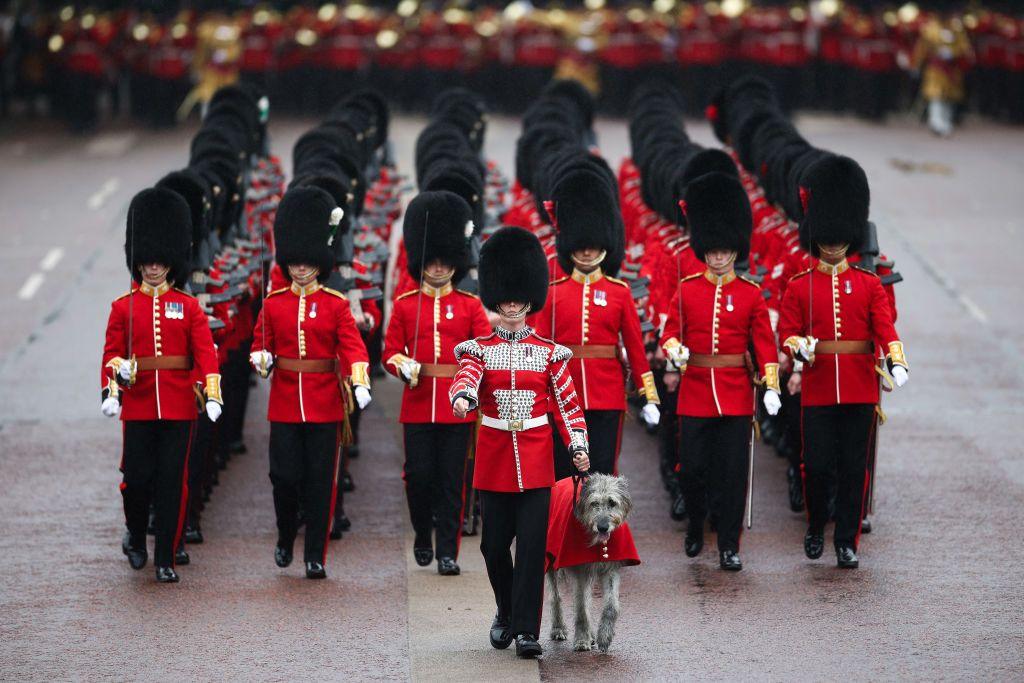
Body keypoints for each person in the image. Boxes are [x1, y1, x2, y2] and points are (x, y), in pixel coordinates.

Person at [449, 226, 590, 658]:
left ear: (529, 299)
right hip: (494, 458)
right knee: (493, 546)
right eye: (505, 299)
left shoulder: (549, 352)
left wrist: (578, 444)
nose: (511, 306)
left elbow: (567, 404)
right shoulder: (479, 348)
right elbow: (468, 376)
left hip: (534, 458)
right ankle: (505, 611)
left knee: (531, 548)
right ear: (496, 298)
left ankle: (527, 630)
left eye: (517, 299)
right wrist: (463, 395)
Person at [779, 155, 908, 569]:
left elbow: (884, 327)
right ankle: (817, 525)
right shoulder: (801, 286)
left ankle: (847, 541)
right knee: (816, 466)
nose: (833, 243)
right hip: (818, 387)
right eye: (826, 236)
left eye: (839, 237)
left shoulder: (868, 284)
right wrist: (799, 348)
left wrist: (896, 359)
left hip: (859, 386)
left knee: (855, 468)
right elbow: (788, 332)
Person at [659, 173, 781, 572]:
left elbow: (764, 344)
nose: (717, 257)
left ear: (734, 250)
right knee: (692, 470)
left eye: (723, 251)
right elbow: (670, 334)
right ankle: (696, 523)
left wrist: (770, 385)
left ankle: (730, 545)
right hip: (695, 392)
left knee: (732, 476)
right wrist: (673, 348)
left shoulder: (750, 293)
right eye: (711, 251)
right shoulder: (688, 289)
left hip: (734, 395)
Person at [101, 188, 222, 583]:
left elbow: (205, 353)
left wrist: (211, 391)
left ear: (172, 263)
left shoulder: (188, 307)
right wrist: (114, 385)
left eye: (160, 263)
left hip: (178, 405)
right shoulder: (124, 307)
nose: (153, 269)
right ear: (138, 263)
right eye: (147, 263)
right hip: (137, 404)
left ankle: (166, 555)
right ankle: (136, 536)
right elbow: (111, 354)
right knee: (136, 480)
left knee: (173, 481)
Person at [249, 187, 372, 580]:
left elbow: (352, 348)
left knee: (321, 482)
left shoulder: (335, 304)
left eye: (307, 262)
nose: (301, 268)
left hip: (324, 405)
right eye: (295, 262)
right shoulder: (273, 303)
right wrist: (262, 360)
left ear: (319, 262)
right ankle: (286, 536)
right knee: (283, 478)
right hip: (285, 403)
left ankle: (315, 555)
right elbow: (258, 345)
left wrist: (359, 380)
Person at [383, 191, 491, 575]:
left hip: (457, 407)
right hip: (417, 402)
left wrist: (470, 385)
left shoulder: (469, 305)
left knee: (451, 481)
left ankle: (448, 551)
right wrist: (403, 366)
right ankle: (420, 532)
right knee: (418, 477)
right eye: (433, 261)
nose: (440, 268)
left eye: (446, 262)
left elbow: (482, 350)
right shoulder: (406, 304)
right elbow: (390, 351)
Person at [533, 167, 660, 477]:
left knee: (603, 473)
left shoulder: (619, 293)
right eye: (580, 244)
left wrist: (648, 395)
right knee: (565, 474)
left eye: (592, 244)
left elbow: (635, 348)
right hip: (563, 394)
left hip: (608, 395)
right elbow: (539, 349)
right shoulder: (553, 293)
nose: (587, 250)